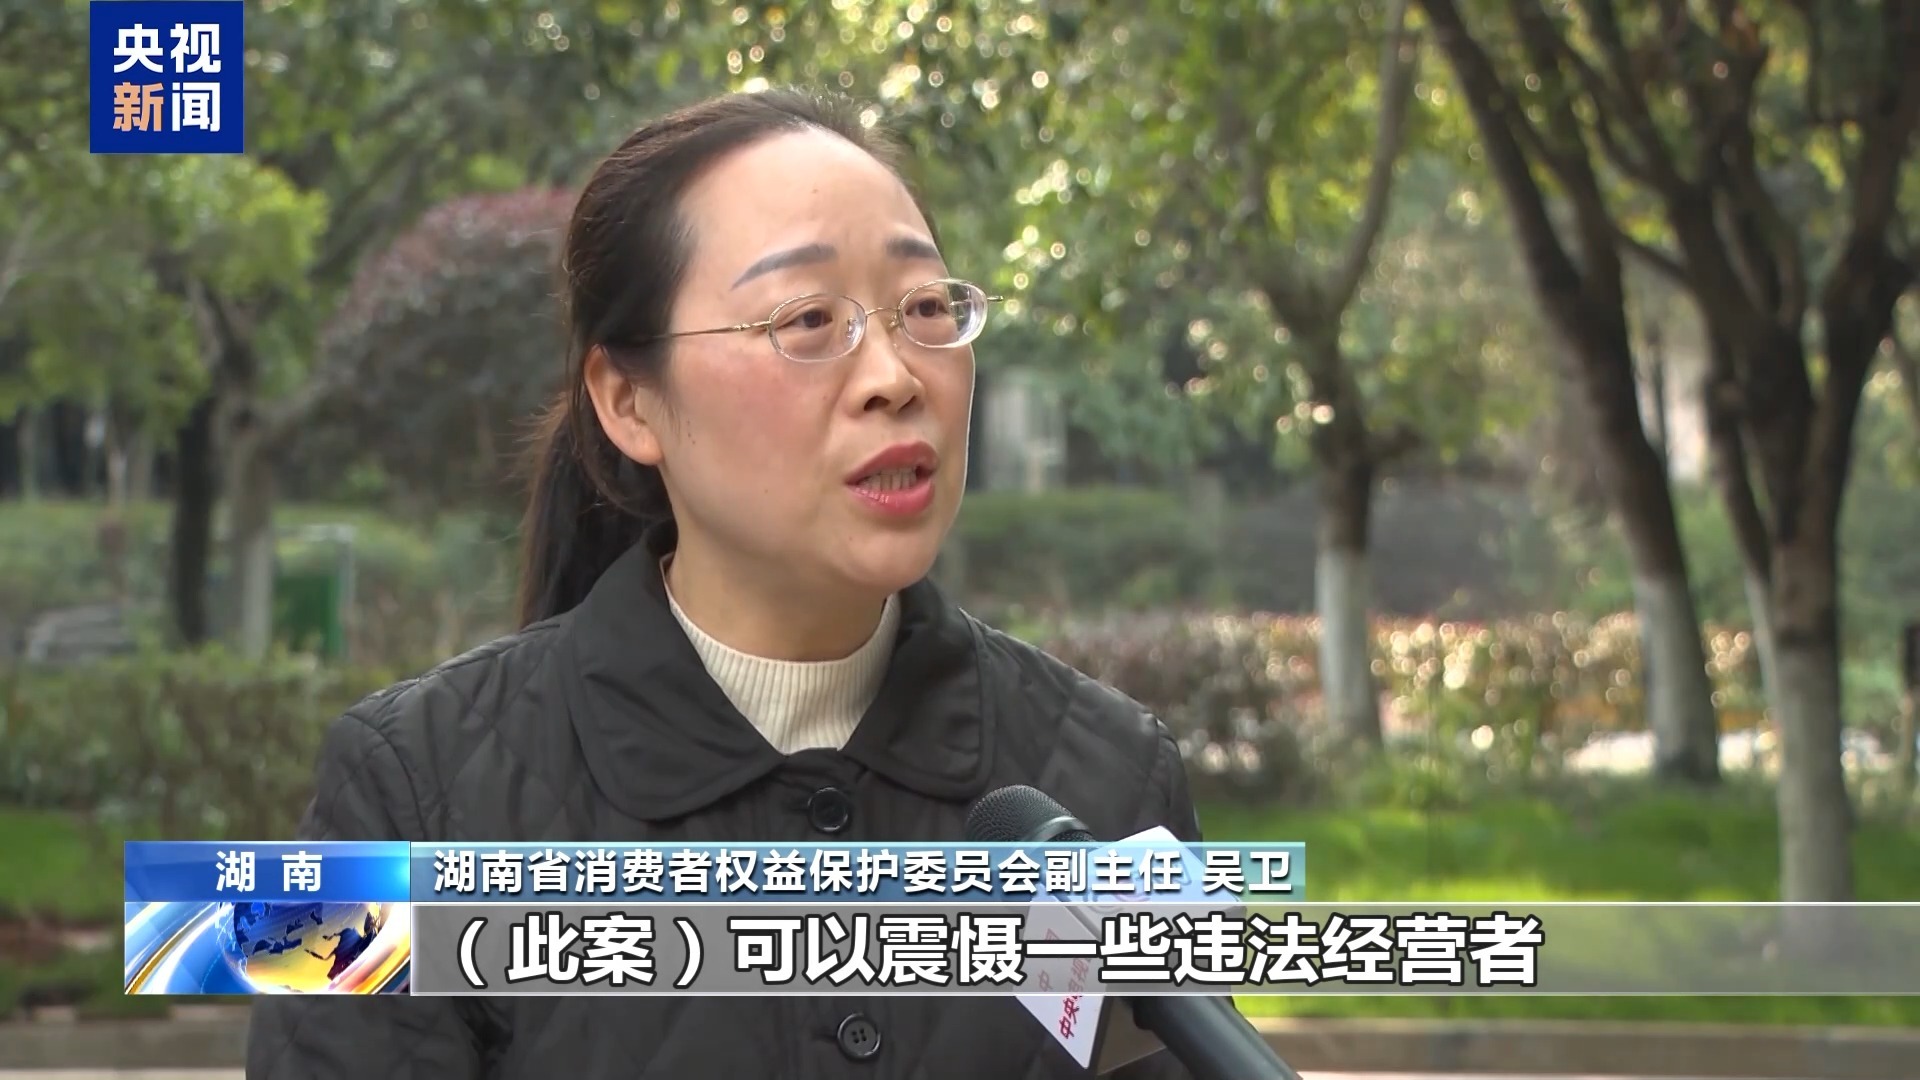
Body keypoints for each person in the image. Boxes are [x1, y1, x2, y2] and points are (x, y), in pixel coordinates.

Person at [246, 86, 1204, 1080]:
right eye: (807, 319)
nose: (894, 376)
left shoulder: (1113, 780)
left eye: (925, 308)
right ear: (629, 401)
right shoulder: (402, 793)